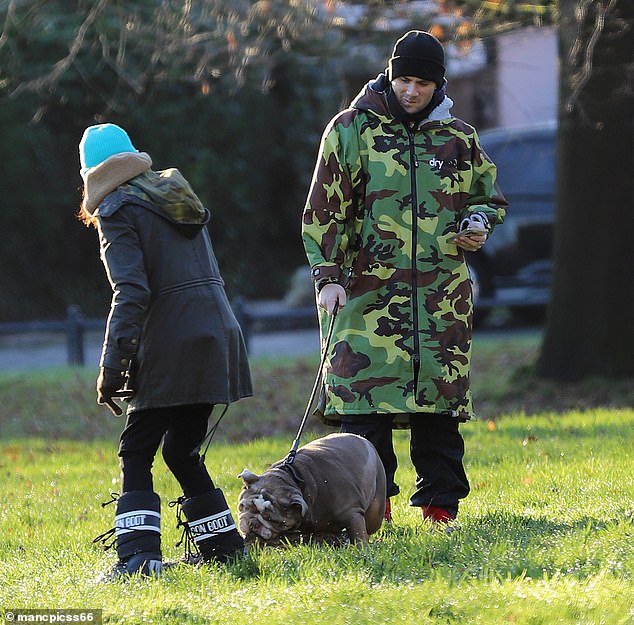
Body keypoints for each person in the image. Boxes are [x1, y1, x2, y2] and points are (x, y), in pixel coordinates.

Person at [302, 31, 507, 525]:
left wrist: (478, 222)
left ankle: (441, 508)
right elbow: (322, 211)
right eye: (403, 80)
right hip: (364, 299)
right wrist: (328, 276)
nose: (411, 91)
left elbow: (488, 196)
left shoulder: (458, 138)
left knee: (437, 409)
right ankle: (375, 510)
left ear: (438, 85)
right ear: (389, 76)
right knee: (363, 409)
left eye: (422, 82)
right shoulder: (351, 130)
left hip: (440, 301)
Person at [78, 123, 253, 578]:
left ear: (91, 174)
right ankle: (224, 549)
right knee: (181, 450)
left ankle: (137, 560)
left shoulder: (117, 207)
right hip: (216, 338)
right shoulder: (175, 196)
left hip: (170, 344)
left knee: (136, 450)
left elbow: (131, 292)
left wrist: (112, 369)